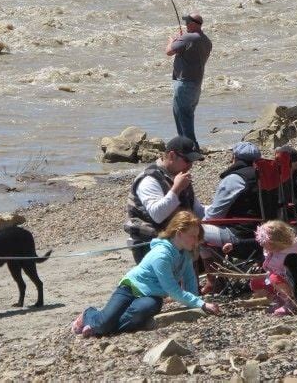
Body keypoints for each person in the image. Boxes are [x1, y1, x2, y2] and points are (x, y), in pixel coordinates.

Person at [72, 211, 220, 338]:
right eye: (192, 236)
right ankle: (89, 315)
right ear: (179, 234)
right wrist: (201, 304)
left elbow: (189, 279)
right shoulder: (161, 254)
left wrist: (194, 306)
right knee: (105, 321)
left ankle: (102, 329)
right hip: (130, 287)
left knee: (144, 310)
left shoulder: (185, 253)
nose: (196, 240)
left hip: (151, 295)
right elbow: (172, 289)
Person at [124, 136, 205, 264]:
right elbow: (158, 215)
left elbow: (197, 211)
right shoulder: (149, 179)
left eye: (192, 161)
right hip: (151, 243)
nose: (190, 165)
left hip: (178, 239)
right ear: (172, 155)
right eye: (187, 160)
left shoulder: (180, 176)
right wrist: (176, 189)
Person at [201, 141, 262, 294]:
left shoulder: (235, 179)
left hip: (241, 237)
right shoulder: (268, 175)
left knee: (190, 231)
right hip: (267, 234)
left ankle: (213, 281)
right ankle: (216, 280)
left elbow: (214, 215)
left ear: (234, 157)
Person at [226, 220, 297, 316]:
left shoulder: (290, 255)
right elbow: (254, 243)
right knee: (256, 282)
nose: (261, 244)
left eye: (263, 242)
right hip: (276, 278)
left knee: (274, 278)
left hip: (291, 281)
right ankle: (280, 299)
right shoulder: (271, 248)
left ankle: (291, 302)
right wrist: (235, 245)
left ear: (274, 242)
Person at [166, 12, 212, 150]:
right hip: (196, 84)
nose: (185, 25)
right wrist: (182, 40)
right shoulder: (206, 41)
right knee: (184, 114)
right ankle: (185, 146)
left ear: (193, 24)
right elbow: (189, 52)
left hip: (184, 83)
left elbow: (169, 51)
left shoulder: (188, 37)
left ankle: (191, 147)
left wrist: (172, 41)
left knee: (183, 116)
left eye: (187, 23)